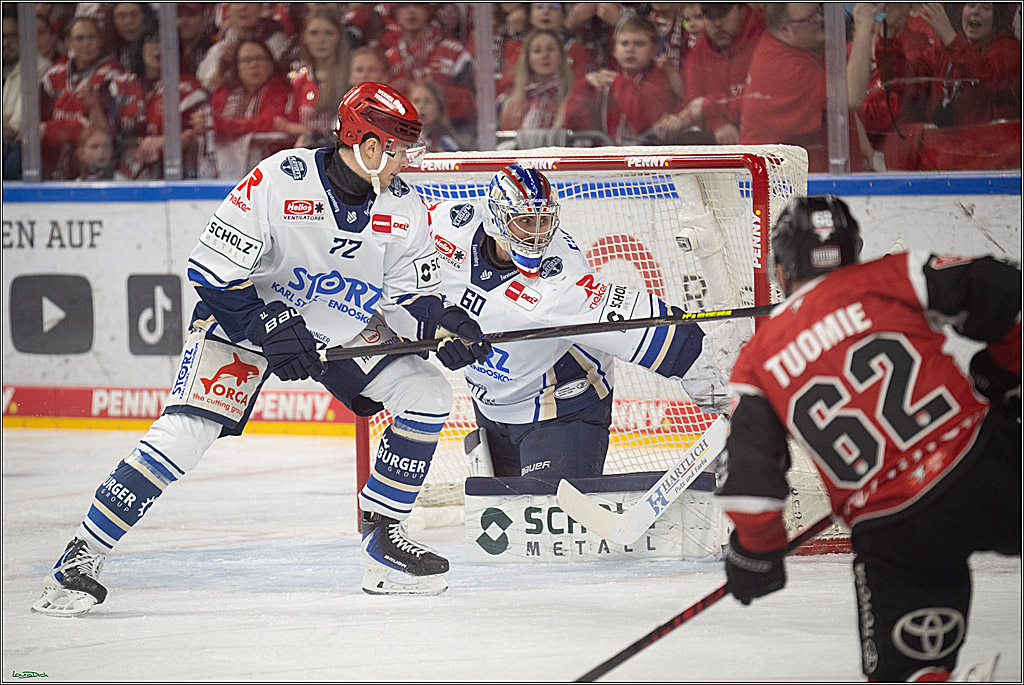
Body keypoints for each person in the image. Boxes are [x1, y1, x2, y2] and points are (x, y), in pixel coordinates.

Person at [31, 82, 491, 617]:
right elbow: (210, 271)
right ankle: (81, 556)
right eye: (397, 148)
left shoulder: (405, 205)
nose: (405, 162)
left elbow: (411, 295)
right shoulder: (280, 178)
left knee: (427, 391)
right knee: (186, 433)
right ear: (368, 146)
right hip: (242, 323)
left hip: (337, 328)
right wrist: (267, 322)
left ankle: (383, 543)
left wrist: (447, 322)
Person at [715, 195, 1021, 682]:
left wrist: (756, 552)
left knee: (911, 665)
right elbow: (1008, 293)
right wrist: (1008, 375)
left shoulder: (756, 359)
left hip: (893, 527)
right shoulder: (893, 275)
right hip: (982, 467)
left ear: (779, 268)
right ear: (853, 248)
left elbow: (751, 487)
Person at [423, 164, 743, 480]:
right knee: (503, 522)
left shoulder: (560, 280)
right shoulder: (450, 225)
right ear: (496, 218)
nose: (536, 234)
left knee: (549, 521)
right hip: (492, 411)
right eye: (524, 221)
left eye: (543, 221)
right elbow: (392, 247)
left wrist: (732, 395)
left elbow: (649, 326)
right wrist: (430, 324)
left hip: (561, 409)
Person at [739, 3, 876, 172]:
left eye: (819, 11)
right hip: (778, 185)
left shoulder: (793, 44)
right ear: (785, 30)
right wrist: (863, 29)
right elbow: (851, 96)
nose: (820, 19)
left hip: (804, 177)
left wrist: (858, 137)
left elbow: (834, 94)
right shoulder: (787, 67)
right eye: (810, 18)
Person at [110, 22, 214, 180]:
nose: (158, 47)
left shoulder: (188, 88)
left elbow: (200, 135)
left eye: (165, 41)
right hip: (121, 176)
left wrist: (165, 142)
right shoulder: (121, 84)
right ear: (140, 47)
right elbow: (107, 131)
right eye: (152, 40)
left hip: (173, 175)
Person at [653, 3, 765, 145]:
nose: (718, 23)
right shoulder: (697, 52)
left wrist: (709, 107)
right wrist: (717, 124)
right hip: (720, 140)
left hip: (764, 140)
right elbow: (693, 105)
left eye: (723, 14)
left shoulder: (762, 39)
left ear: (741, 10)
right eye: (710, 17)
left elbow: (762, 104)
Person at [565, 14, 676, 145]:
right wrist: (584, 85)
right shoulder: (605, 80)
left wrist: (620, 83)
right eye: (624, 43)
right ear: (615, 49)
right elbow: (571, 123)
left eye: (639, 44)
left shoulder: (659, 79)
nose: (630, 49)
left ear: (654, 50)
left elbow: (644, 120)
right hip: (604, 157)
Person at [39, 15, 124, 180]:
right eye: (79, 38)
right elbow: (39, 124)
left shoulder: (112, 74)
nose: (86, 44)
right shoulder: (53, 74)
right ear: (68, 42)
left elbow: (99, 129)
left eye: (92, 37)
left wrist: (52, 129)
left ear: (100, 40)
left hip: (93, 159)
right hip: (54, 156)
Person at [384, 3, 476, 131]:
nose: (411, 10)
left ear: (429, 11)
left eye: (419, 5)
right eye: (404, 6)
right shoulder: (389, 58)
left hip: (452, 133)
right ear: (395, 13)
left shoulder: (455, 53)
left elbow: (473, 102)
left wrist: (436, 92)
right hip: (402, 136)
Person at [210, 39, 293, 179]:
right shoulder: (225, 92)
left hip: (269, 174)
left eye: (259, 59)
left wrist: (223, 125)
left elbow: (269, 123)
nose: (254, 65)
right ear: (237, 67)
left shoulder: (279, 91)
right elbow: (210, 119)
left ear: (271, 65)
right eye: (247, 60)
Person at [276, 8, 351, 149]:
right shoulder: (298, 80)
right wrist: (296, 129)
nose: (321, 40)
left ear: (339, 37)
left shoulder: (353, 76)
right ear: (304, 37)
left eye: (328, 33)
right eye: (314, 33)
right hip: (309, 155)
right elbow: (286, 121)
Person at [497, 28, 574, 131]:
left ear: (561, 56)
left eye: (550, 49)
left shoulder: (573, 97)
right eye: (537, 51)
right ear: (528, 59)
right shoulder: (512, 104)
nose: (544, 55)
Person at [408, 80, 462, 152]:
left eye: (428, 101)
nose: (421, 106)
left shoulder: (447, 143)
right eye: (416, 101)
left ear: (439, 109)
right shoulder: (401, 142)